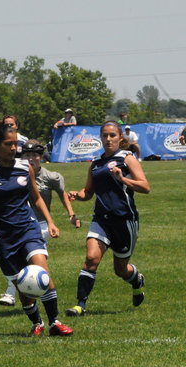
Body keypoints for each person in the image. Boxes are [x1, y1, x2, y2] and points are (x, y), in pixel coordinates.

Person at [0, 121, 74, 336]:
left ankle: (55, 322)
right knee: (23, 284)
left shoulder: (24, 167)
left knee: (41, 270)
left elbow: (36, 198)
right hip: (3, 237)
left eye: (15, 144)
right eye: (8, 144)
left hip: (28, 228)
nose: (13, 148)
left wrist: (50, 222)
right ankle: (37, 322)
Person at [65, 121, 150, 317]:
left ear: (120, 138)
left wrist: (123, 179)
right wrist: (78, 195)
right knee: (91, 258)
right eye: (105, 135)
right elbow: (88, 192)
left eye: (112, 135)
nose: (108, 139)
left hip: (124, 220)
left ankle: (136, 280)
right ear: (101, 138)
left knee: (120, 270)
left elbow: (145, 187)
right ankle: (80, 305)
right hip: (101, 220)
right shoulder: (96, 164)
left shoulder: (127, 158)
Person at [0, 139, 82, 307]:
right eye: (27, 155)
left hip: (40, 225)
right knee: (20, 260)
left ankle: (15, 294)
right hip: (18, 224)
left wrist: (71, 214)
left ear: (41, 157)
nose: (30, 159)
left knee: (30, 261)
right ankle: (24, 294)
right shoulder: (14, 174)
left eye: (34, 155)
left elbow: (62, 194)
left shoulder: (51, 177)